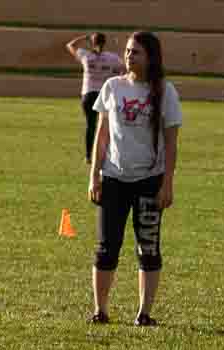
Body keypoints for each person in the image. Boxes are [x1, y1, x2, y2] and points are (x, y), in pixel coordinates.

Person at [87, 31, 182, 327]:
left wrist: (167, 183)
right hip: (114, 178)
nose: (129, 56)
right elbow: (101, 136)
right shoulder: (112, 87)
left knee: (148, 247)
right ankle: (100, 310)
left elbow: (171, 142)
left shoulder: (165, 92)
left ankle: (144, 313)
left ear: (151, 58)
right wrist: (95, 176)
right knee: (106, 246)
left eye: (136, 52)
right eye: (128, 51)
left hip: (149, 180)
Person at [66, 32, 124, 164]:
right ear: (104, 43)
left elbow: (70, 45)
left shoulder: (86, 55)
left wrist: (85, 38)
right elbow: (124, 67)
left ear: (92, 43)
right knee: (108, 125)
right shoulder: (112, 58)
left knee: (90, 125)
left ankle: (88, 156)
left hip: (88, 94)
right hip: (104, 95)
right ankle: (109, 155)